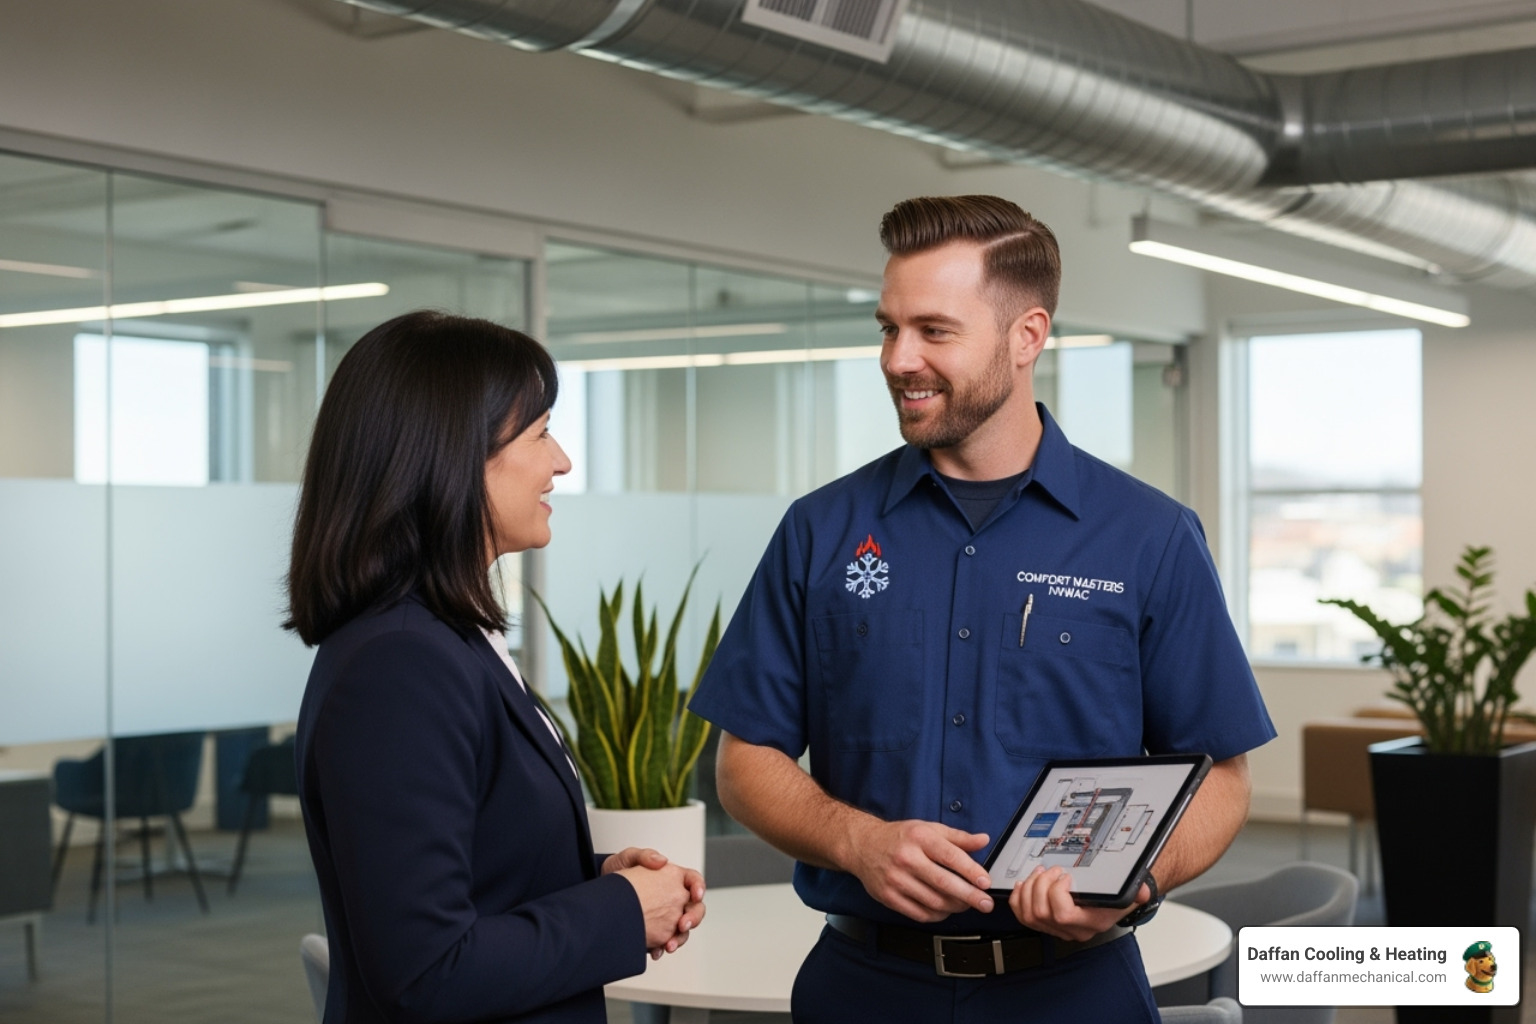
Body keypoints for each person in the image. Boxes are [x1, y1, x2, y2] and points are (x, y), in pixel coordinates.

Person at [688, 196, 1274, 1022]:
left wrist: (1137, 880)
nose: (899, 358)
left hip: (1075, 991)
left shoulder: (1149, 537)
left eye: (934, 330)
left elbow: (1222, 774)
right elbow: (744, 761)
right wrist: (857, 841)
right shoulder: (820, 531)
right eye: (888, 328)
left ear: (1026, 336)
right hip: (864, 987)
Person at [287, 311, 705, 1024]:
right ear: (451, 458)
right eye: (540, 434)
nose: (563, 461)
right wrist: (619, 913)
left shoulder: (450, 637)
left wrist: (592, 878)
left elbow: (470, 868)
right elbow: (426, 971)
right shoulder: (400, 665)